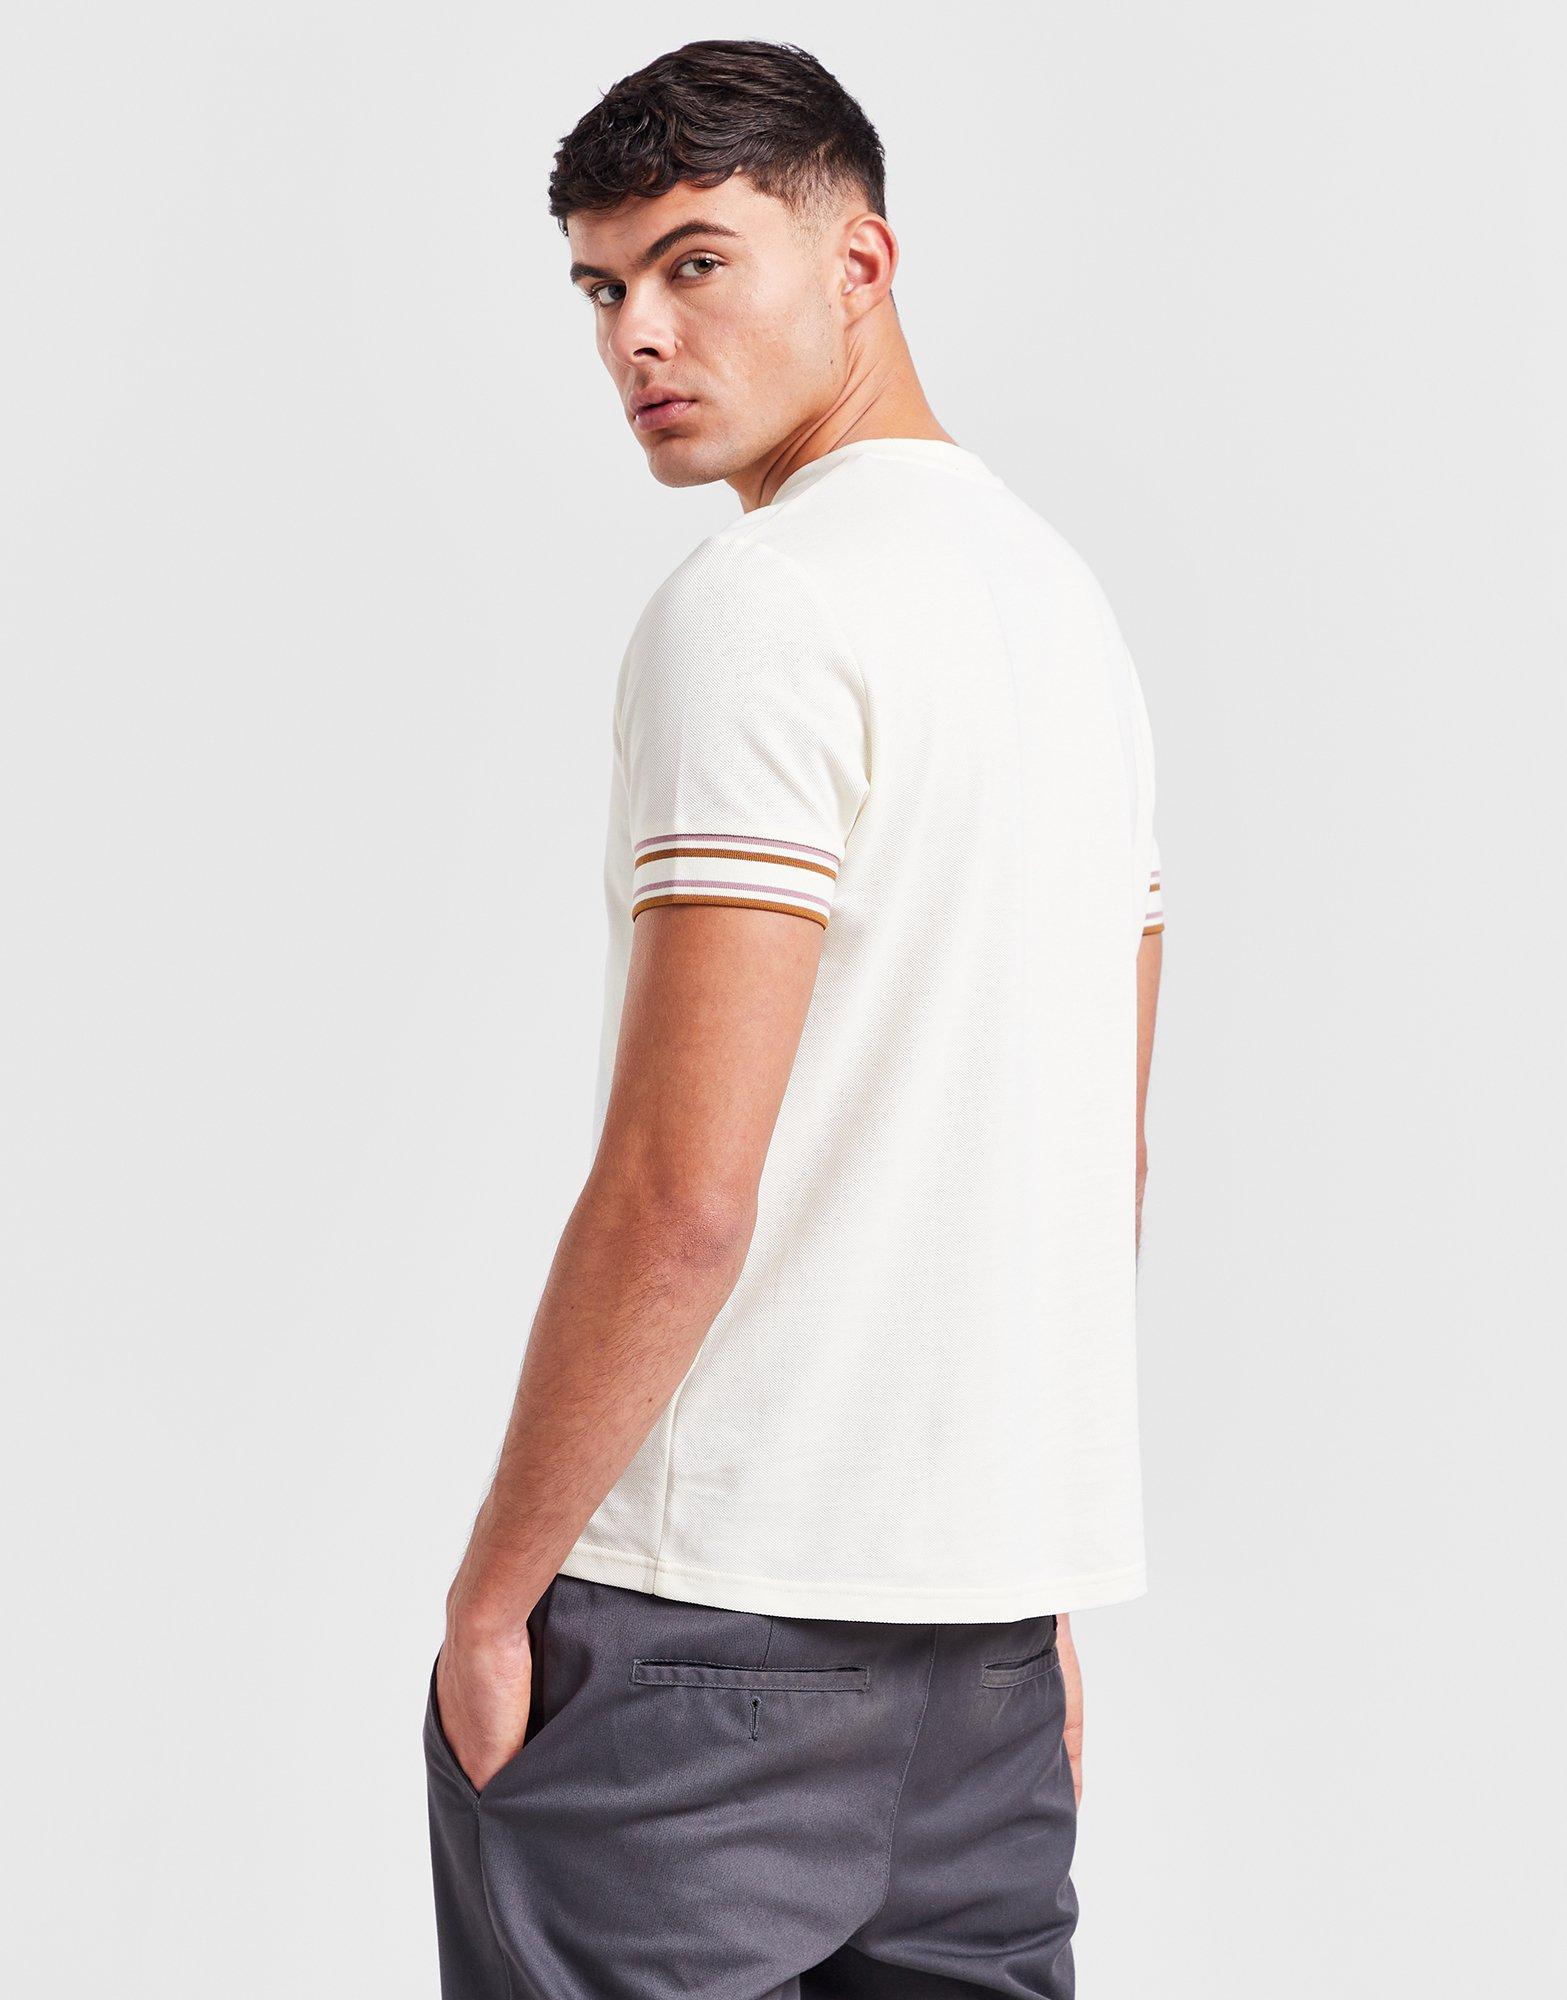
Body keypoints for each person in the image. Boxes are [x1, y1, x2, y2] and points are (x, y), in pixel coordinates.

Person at [424, 38, 1165, 2000]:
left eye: (694, 264)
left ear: (861, 261)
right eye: (601, 289)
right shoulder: (1065, 616)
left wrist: (494, 1595)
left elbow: (681, 1191)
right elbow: (1098, 1159)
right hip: (979, 1657)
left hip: (700, 1654)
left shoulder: (763, 601)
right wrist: (1020, 1563)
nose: (637, 338)